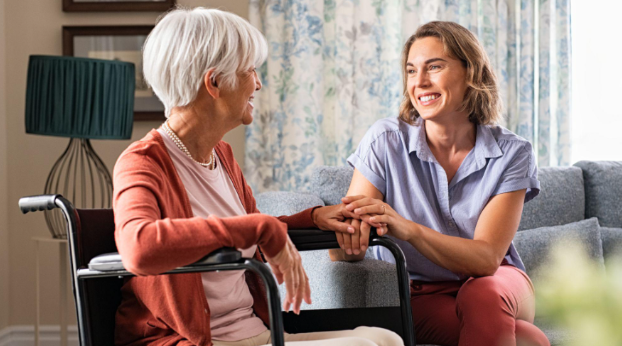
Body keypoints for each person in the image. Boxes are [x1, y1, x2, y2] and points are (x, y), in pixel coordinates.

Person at [112, 7, 403, 346]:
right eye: (250, 71)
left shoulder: (222, 156)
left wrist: (312, 219)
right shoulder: (143, 161)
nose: (259, 83)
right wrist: (260, 227)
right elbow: (138, 248)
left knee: (384, 339)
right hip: (190, 340)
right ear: (215, 82)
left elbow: (243, 230)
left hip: (252, 334)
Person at [329, 21, 551, 346]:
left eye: (434, 67)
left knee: (483, 293)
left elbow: (486, 259)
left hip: (499, 283)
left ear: (471, 72)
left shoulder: (512, 153)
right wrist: (350, 239)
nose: (419, 82)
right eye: (411, 71)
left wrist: (409, 229)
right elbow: (341, 248)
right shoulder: (385, 141)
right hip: (422, 293)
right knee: (529, 339)